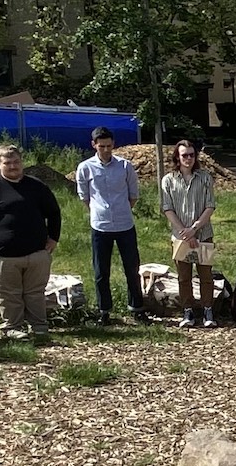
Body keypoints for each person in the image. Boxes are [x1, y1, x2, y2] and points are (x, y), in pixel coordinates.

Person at [0, 144, 63, 340]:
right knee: (8, 294)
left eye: (16, 162)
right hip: (3, 255)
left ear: (22, 163)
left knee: (35, 292)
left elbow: (53, 212)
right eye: (8, 163)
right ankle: (12, 327)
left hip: (36, 254)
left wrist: (53, 238)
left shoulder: (36, 186)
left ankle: (39, 326)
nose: (13, 166)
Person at [73, 127, 147, 324]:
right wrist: (99, 212)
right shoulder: (85, 168)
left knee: (132, 268)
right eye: (101, 146)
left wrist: (121, 209)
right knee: (101, 271)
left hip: (124, 224)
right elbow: (84, 196)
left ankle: (137, 307)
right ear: (94, 145)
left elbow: (133, 195)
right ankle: (104, 310)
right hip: (100, 226)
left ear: (113, 144)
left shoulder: (125, 166)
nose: (105, 150)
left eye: (109, 146)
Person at [158, 140, 219, 328]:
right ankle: (188, 311)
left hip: (203, 234)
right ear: (177, 156)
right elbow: (167, 208)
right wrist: (184, 232)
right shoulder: (168, 180)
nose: (189, 159)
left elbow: (210, 205)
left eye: (192, 155)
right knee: (183, 277)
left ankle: (208, 310)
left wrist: (195, 228)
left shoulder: (205, 177)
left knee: (206, 275)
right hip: (180, 237)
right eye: (185, 155)